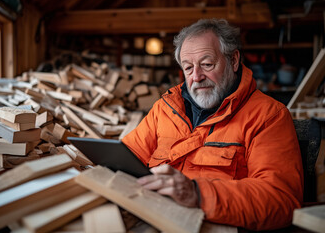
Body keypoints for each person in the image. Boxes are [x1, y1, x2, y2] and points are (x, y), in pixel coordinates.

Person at [122, 18, 303, 231]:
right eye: (188, 68)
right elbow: (126, 158)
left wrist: (197, 194)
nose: (196, 77)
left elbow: (280, 200)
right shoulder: (165, 108)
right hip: (153, 216)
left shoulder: (267, 116)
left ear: (234, 60)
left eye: (207, 65)